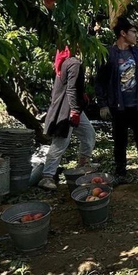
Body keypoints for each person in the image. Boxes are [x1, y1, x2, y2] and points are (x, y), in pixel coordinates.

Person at [95, 16, 138, 189]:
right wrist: (103, 104)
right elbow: (99, 81)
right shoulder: (108, 54)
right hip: (118, 106)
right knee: (119, 141)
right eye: (133, 32)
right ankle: (121, 173)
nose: (136, 35)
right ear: (123, 33)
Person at [39, 46, 96, 191]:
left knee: (88, 134)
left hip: (70, 106)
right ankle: (47, 177)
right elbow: (71, 89)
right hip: (67, 109)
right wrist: (75, 111)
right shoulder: (73, 63)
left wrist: (80, 97)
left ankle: (82, 166)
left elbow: (70, 87)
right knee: (60, 143)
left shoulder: (64, 61)